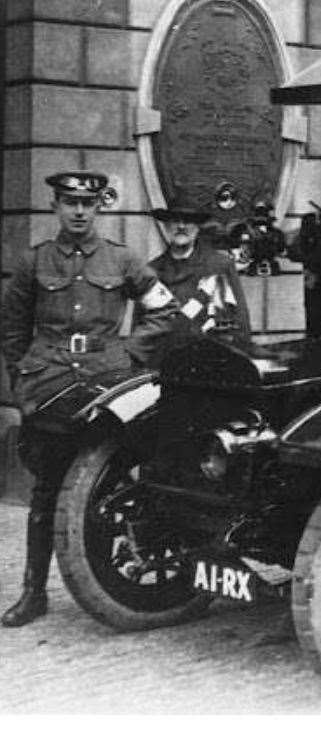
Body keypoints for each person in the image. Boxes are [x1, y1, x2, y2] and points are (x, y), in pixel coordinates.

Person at [0, 170, 179, 627]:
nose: (79, 211)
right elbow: (13, 329)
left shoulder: (123, 260)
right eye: (69, 202)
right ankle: (33, 593)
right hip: (50, 387)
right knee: (45, 494)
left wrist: (130, 351)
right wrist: (23, 383)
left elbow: (165, 309)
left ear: (100, 207)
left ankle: (111, 582)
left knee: (111, 483)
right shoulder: (34, 261)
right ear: (56, 207)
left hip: (108, 383)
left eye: (88, 203)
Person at [150, 203, 251, 344]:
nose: (181, 226)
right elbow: (142, 329)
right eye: (175, 220)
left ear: (198, 227)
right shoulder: (152, 271)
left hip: (210, 356)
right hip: (167, 357)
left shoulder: (219, 265)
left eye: (188, 221)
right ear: (166, 226)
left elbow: (240, 318)